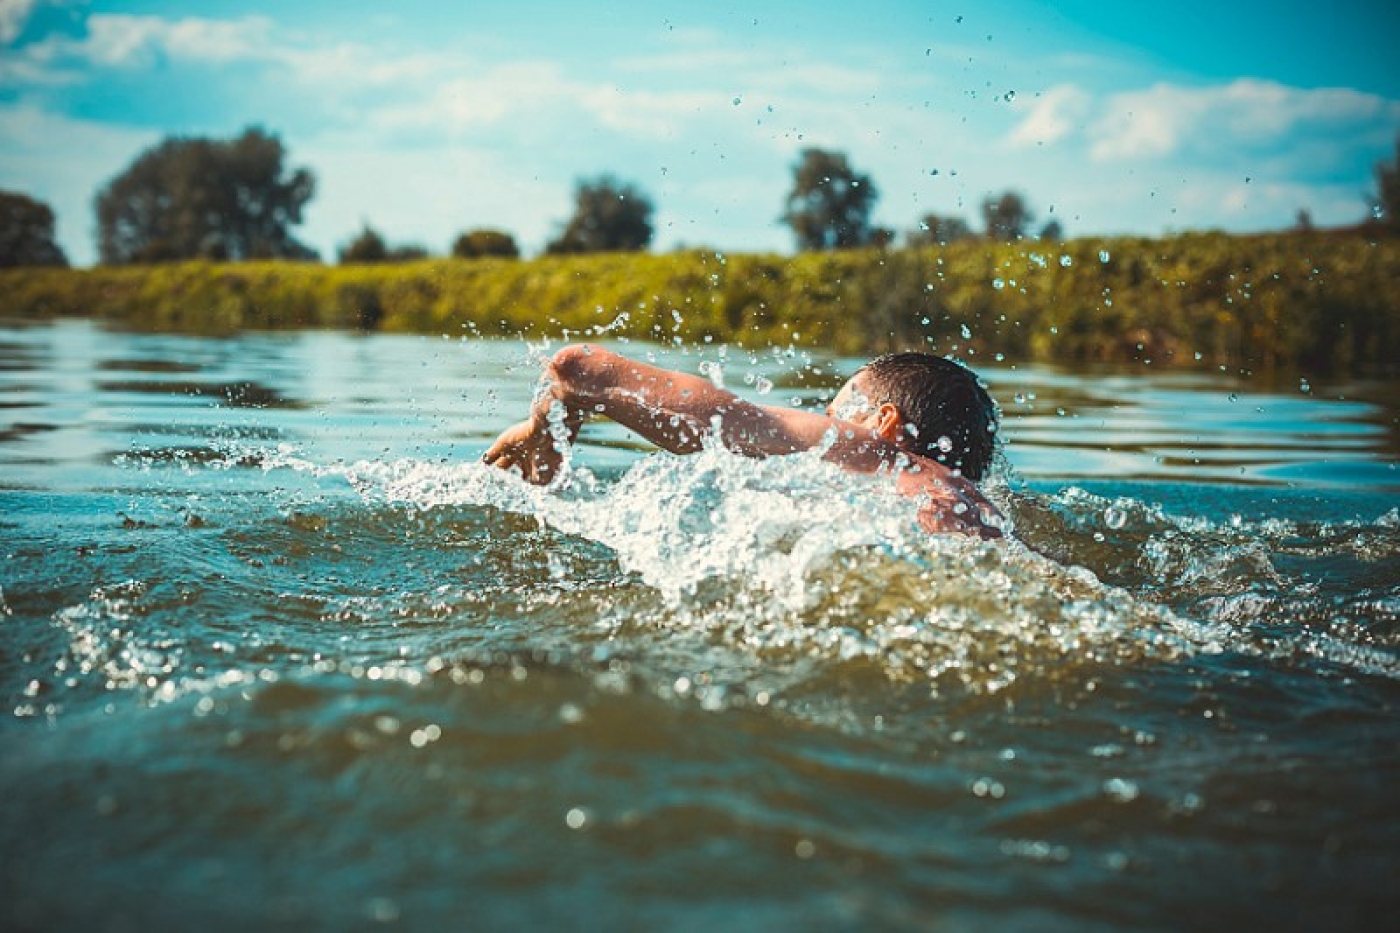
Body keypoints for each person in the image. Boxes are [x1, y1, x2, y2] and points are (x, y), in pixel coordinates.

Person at [483, 344, 1005, 539]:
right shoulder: (979, 507)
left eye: (835, 412)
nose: (827, 422)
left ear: (883, 423)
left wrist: (541, 430)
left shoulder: (868, 449)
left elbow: (580, 368)